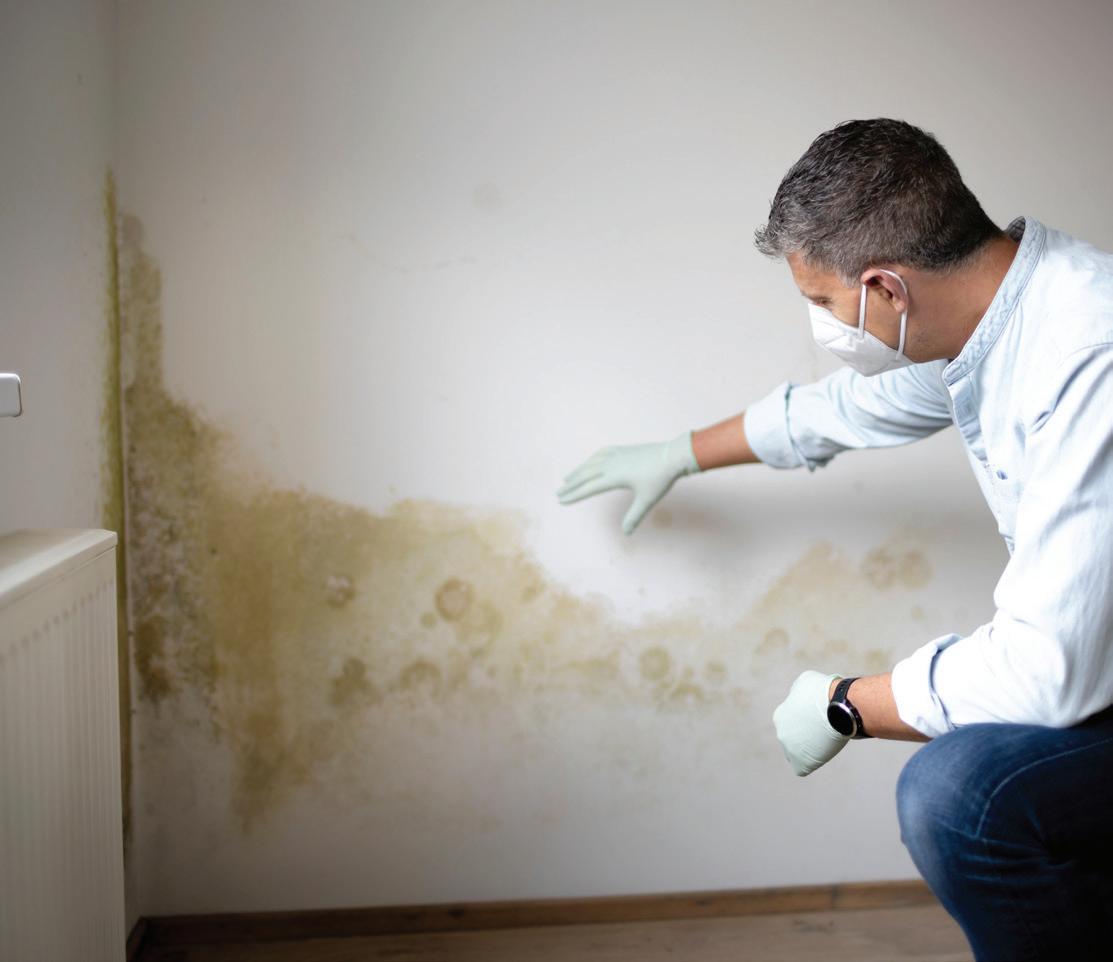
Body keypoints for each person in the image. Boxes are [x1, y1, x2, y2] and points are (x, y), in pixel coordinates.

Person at [555, 118, 1113, 962]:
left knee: (960, 794)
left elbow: (1045, 671)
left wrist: (845, 703)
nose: (820, 323)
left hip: (1084, 673)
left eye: (820, 301)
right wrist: (679, 454)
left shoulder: (1086, 357)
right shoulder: (997, 319)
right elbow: (840, 412)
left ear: (885, 288)